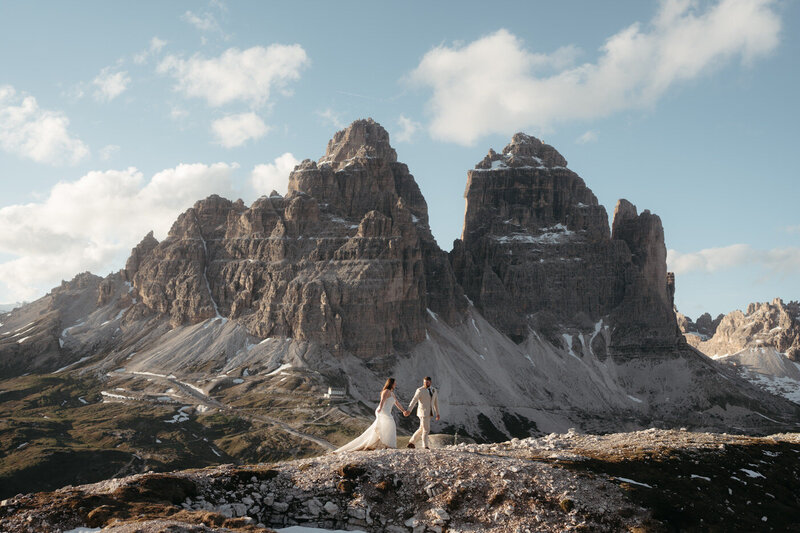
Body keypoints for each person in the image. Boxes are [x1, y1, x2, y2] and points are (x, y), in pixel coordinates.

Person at [335, 378, 409, 452]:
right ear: (391, 383)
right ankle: (387, 445)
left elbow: (397, 403)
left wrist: (403, 411)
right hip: (383, 411)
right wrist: (380, 408)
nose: (395, 384)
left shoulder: (392, 393)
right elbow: (382, 400)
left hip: (387, 412)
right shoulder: (386, 391)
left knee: (388, 426)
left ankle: (385, 445)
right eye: (394, 383)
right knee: (389, 424)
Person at [405, 376, 439, 449]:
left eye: (427, 382)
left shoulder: (434, 390)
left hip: (430, 412)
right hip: (422, 412)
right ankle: (425, 446)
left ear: (430, 382)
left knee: (421, 428)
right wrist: (409, 410)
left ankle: (411, 443)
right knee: (426, 429)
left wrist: (437, 413)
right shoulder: (420, 390)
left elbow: (436, 402)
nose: (425, 383)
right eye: (424, 382)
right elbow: (414, 400)